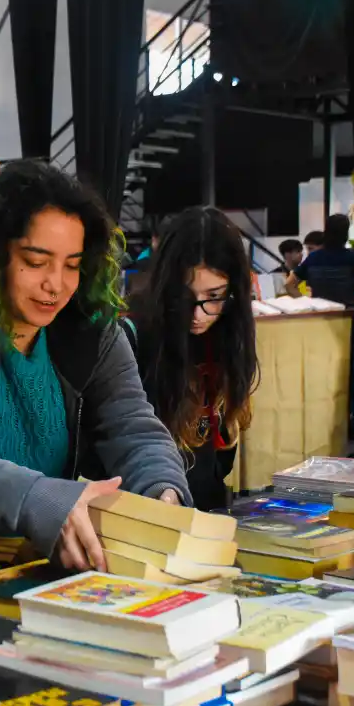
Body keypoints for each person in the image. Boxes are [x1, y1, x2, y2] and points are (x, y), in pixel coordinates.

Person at [0, 160, 191, 571]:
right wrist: (37, 498)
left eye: (72, 265)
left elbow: (135, 429)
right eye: (36, 260)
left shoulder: (95, 335)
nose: (55, 284)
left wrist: (164, 493)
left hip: (60, 572)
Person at [128, 207, 259, 512]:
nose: (198, 316)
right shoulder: (134, 337)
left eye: (214, 296)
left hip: (208, 509)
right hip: (148, 512)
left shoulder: (230, 334)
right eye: (184, 297)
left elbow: (226, 442)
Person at [288, 214, 354, 305]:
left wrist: (305, 302)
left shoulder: (313, 257)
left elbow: (289, 284)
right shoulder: (353, 256)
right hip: (345, 312)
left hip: (321, 312)